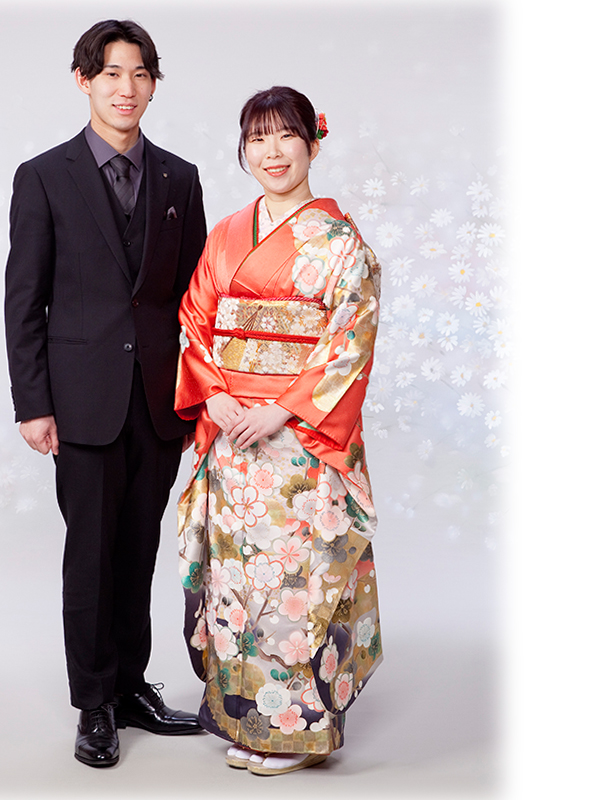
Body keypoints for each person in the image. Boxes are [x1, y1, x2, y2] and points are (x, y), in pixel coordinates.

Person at [4, 19, 207, 768]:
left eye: (140, 74)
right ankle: (93, 703)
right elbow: (24, 298)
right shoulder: (43, 176)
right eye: (112, 73)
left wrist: (198, 394)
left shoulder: (180, 178)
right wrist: (33, 402)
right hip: (80, 403)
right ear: (84, 80)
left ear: (154, 85)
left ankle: (129, 689)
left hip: (156, 403)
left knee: (138, 550)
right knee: (89, 557)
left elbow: (195, 301)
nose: (127, 88)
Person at [175, 86, 383, 776]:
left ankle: (295, 730)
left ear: (312, 144)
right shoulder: (228, 234)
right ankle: (249, 719)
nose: (272, 151)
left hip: (298, 443)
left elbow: (349, 338)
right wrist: (215, 394)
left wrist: (285, 407)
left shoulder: (340, 243)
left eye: (285, 135)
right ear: (244, 150)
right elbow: (195, 319)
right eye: (257, 138)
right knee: (239, 583)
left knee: (297, 580)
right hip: (233, 435)